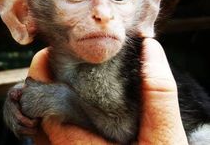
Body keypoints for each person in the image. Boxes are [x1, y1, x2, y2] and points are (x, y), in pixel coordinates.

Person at [27, 38, 189, 145]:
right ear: (22, 15)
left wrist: (64, 101)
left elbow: (121, 128)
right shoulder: (55, 61)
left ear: (148, 10)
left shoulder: (126, 56)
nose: (102, 13)